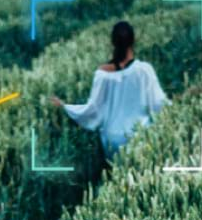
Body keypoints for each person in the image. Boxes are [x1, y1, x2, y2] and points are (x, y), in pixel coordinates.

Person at [50, 20, 170, 159]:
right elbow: (159, 104)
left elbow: (92, 109)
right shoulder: (144, 70)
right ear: (133, 41)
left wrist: (65, 106)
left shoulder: (102, 74)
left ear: (112, 42)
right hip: (139, 136)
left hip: (112, 141)